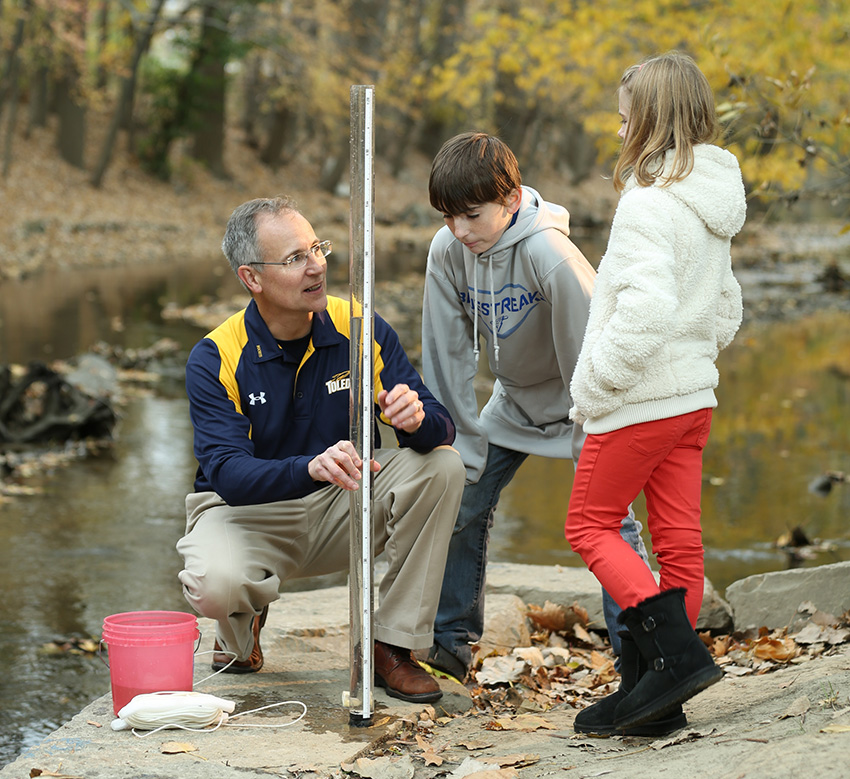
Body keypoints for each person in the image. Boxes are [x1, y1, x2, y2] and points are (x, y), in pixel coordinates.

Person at [176, 195, 466, 704]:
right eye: (294, 259)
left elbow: (441, 428)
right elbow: (227, 474)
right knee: (213, 583)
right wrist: (308, 467)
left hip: (344, 501)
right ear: (252, 278)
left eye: (317, 248)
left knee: (442, 465)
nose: (317, 266)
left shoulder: (359, 325)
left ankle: (393, 647)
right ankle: (240, 624)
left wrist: (417, 421)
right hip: (249, 514)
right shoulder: (215, 355)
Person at [420, 132, 651, 688]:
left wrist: (593, 441)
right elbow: (448, 356)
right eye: (448, 217)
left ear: (512, 197)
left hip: (584, 400)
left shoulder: (552, 257)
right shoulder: (449, 251)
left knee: (608, 521)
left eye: (471, 215)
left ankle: (643, 661)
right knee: (463, 499)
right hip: (514, 401)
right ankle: (448, 646)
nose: (459, 230)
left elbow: (591, 356)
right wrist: (457, 443)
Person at [565, 51, 746, 735]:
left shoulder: (646, 203)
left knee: (587, 523)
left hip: (640, 401)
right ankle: (653, 691)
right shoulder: (711, 200)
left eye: (623, 118)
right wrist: (697, 355)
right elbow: (725, 302)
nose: (618, 132)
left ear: (649, 119)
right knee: (680, 546)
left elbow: (644, 313)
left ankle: (674, 657)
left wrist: (596, 384)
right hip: (693, 398)